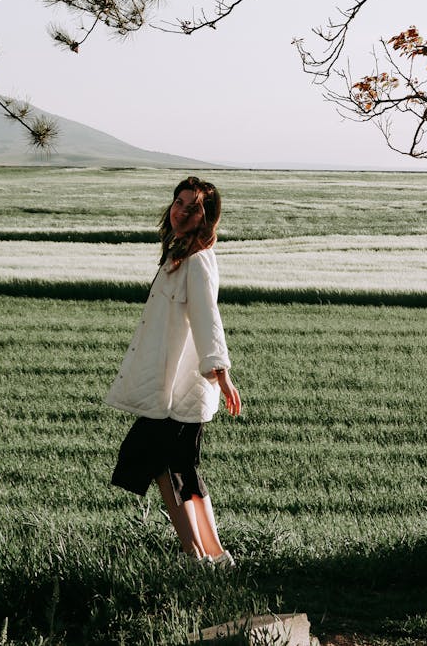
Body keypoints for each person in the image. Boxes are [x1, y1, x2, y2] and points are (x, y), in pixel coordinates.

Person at [105, 176, 242, 566]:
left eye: (193, 207)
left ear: (206, 218)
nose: (182, 211)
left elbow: (207, 318)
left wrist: (221, 373)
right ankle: (207, 555)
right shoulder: (177, 255)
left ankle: (200, 555)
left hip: (184, 389)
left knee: (169, 467)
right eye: (179, 202)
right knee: (171, 467)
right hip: (168, 389)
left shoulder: (197, 260)